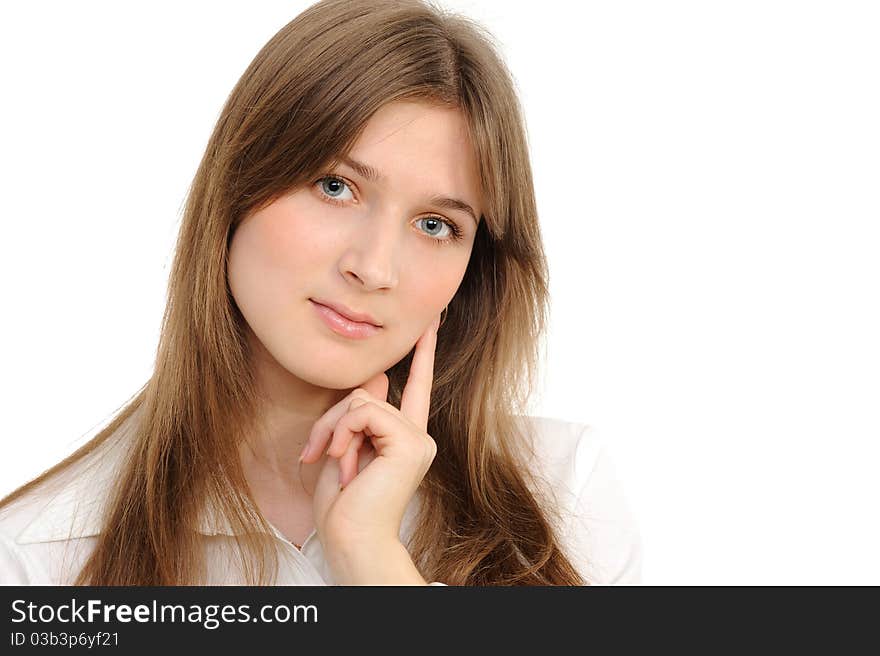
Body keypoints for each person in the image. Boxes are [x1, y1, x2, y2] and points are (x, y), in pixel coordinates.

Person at [0, 0, 641, 586]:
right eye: (335, 186)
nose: (374, 268)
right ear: (238, 185)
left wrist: (369, 555)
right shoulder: (37, 554)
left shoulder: (562, 495)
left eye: (435, 225)